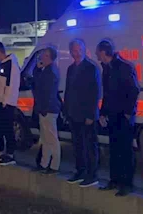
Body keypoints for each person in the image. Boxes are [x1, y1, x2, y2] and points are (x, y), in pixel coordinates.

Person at [97, 40, 140, 197]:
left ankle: (126, 184)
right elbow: (107, 94)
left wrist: (128, 113)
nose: (97, 56)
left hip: (123, 116)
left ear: (103, 53)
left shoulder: (124, 67)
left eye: (98, 53)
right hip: (113, 115)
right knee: (114, 149)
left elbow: (134, 90)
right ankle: (114, 180)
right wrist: (103, 113)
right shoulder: (107, 69)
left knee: (125, 151)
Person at [63, 39, 101, 186]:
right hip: (73, 113)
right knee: (77, 145)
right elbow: (68, 91)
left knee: (90, 145)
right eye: (74, 50)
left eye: (79, 49)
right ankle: (80, 171)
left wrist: (91, 114)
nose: (77, 53)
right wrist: (66, 111)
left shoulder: (91, 68)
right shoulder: (71, 69)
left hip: (87, 114)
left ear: (84, 50)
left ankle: (92, 174)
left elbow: (94, 93)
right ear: (71, 52)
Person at [33, 46, 62, 175]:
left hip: (48, 109)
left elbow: (47, 92)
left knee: (51, 138)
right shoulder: (47, 70)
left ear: (48, 57)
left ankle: (54, 165)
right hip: (45, 108)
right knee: (45, 138)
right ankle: (44, 163)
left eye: (44, 55)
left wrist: (43, 109)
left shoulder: (50, 72)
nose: (41, 57)